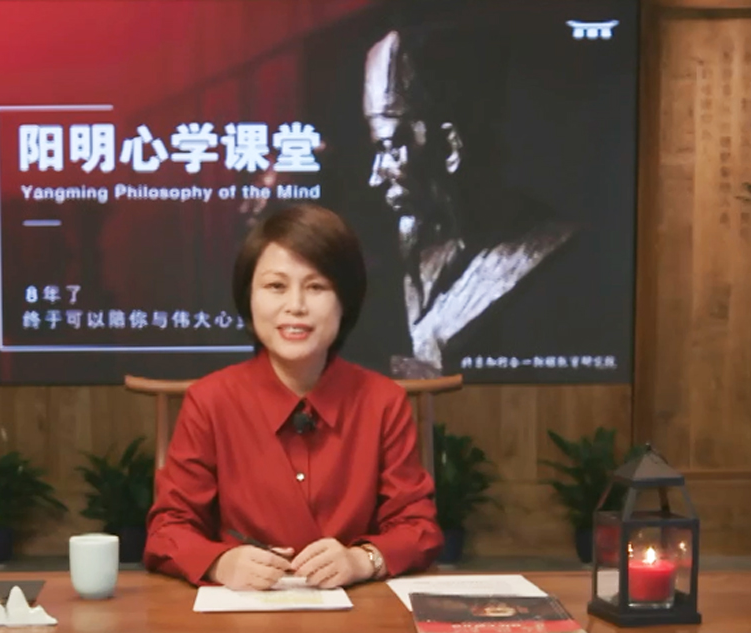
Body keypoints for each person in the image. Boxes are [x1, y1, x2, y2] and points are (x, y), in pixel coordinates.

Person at [143, 203, 444, 590]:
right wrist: (221, 563)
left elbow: (418, 527)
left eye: (316, 287)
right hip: (242, 613)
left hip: (358, 612)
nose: (296, 306)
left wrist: (361, 559)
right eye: (276, 286)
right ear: (249, 298)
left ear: (345, 301)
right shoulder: (210, 401)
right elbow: (168, 528)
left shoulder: (383, 402)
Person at [362, 25, 579, 379]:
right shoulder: (422, 258)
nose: (375, 177)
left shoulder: (542, 248)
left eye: (390, 149)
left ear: (449, 147)